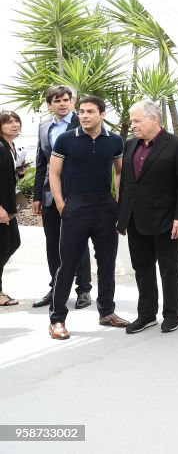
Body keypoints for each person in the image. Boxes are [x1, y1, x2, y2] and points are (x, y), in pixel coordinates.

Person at [46, 97, 130, 339]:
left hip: (105, 205)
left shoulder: (114, 140)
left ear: (102, 114)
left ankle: (107, 312)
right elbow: (54, 172)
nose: (84, 115)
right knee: (68, 264)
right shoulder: (65, 139)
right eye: (81, 111)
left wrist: (118, 202)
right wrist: (62, 205)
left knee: (106, 263)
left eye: (90, 112)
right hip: (76, 205)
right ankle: (57, 319)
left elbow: (119, 171)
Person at [118, 100, 178, 334]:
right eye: (132, 120)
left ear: (153, 119)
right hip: (135, 219)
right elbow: (128, 184)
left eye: (136, 120)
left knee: (168, 268)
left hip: (166, 220)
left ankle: (171, 315)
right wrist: (122, 216)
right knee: (142, 268)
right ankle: (147, 314)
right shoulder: (130, 145)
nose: (133, 125)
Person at [31, 85, 92, 310]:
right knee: (52, 244)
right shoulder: (44, 126)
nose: (62, 104)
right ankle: (57, 287)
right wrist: (37, 195)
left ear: (72, 102)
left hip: (77, 194)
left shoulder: (83, 122)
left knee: (79, 241)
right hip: (49, 195)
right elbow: (41, 163)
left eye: (66, 100)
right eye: (57, 101)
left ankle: (83, 289)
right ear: (50, 105)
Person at [0, 111, 24, 307]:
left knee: (12, 243)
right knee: (3, 248)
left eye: (16, 121)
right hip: (2, 209)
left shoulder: (10, 146)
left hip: (9, 206)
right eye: (8, 122)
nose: (14, 125)